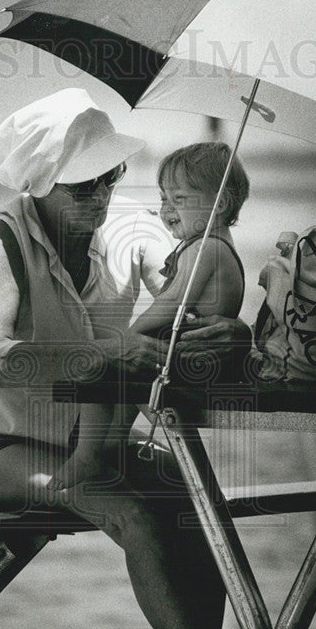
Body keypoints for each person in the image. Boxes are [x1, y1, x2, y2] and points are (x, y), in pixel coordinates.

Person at [0, 89, 253, 629]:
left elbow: (188, 281)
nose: (100, 201)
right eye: (82, 189)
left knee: (193, 491)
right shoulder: (2, 238)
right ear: (41, 185)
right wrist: (102, 358)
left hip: (87, 437)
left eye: (108, 181)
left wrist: (228, 327)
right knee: (127, 508)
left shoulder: (126, 225)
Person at [48, 141, 248, 492]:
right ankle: (111, 443)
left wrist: (129, 335)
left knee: (106, 363)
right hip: (196, 356)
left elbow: (173, 302)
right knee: (126, 370)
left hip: (193, 359)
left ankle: (88, 453)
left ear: (221, 204)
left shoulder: (206, 248)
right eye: (163, 198)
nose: (167, 209)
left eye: (180, 199)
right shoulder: (208, 244)